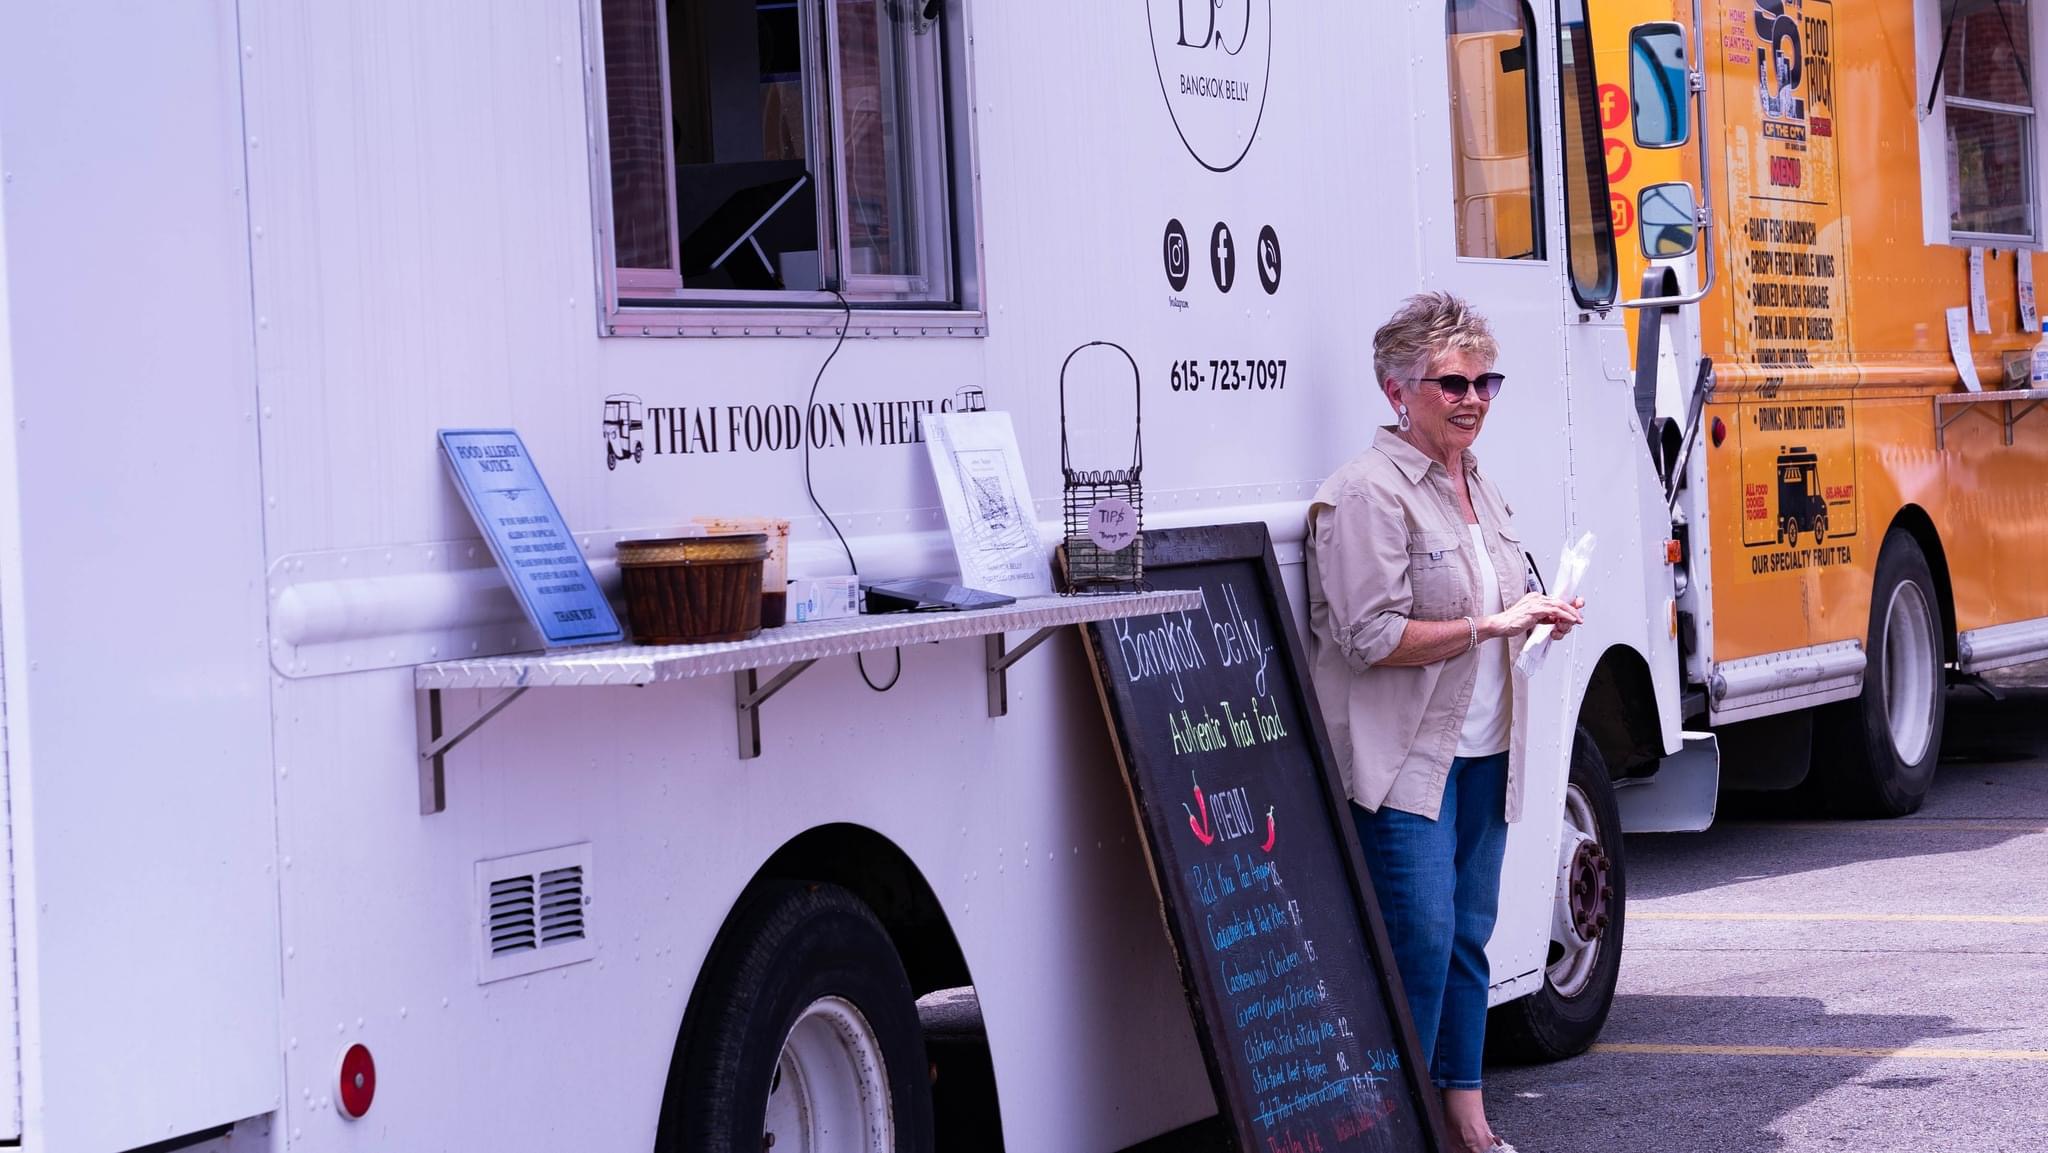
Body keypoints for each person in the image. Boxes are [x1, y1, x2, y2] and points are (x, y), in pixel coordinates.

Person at [1305, 292, 1583, 1153]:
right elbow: (1370, 636)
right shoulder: (1366, 492)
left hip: (1488, 751)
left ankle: (1465, 1121)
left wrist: (1538, 618)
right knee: (1417, 949)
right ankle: (1394, 1130)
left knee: (1467, 940)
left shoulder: (1479, 483)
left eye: (1485, 382)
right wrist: (1492, 624)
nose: (1473, 399)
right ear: (1396, 391)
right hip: (1407, 765)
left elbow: (1497, 606)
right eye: (1452, 383)